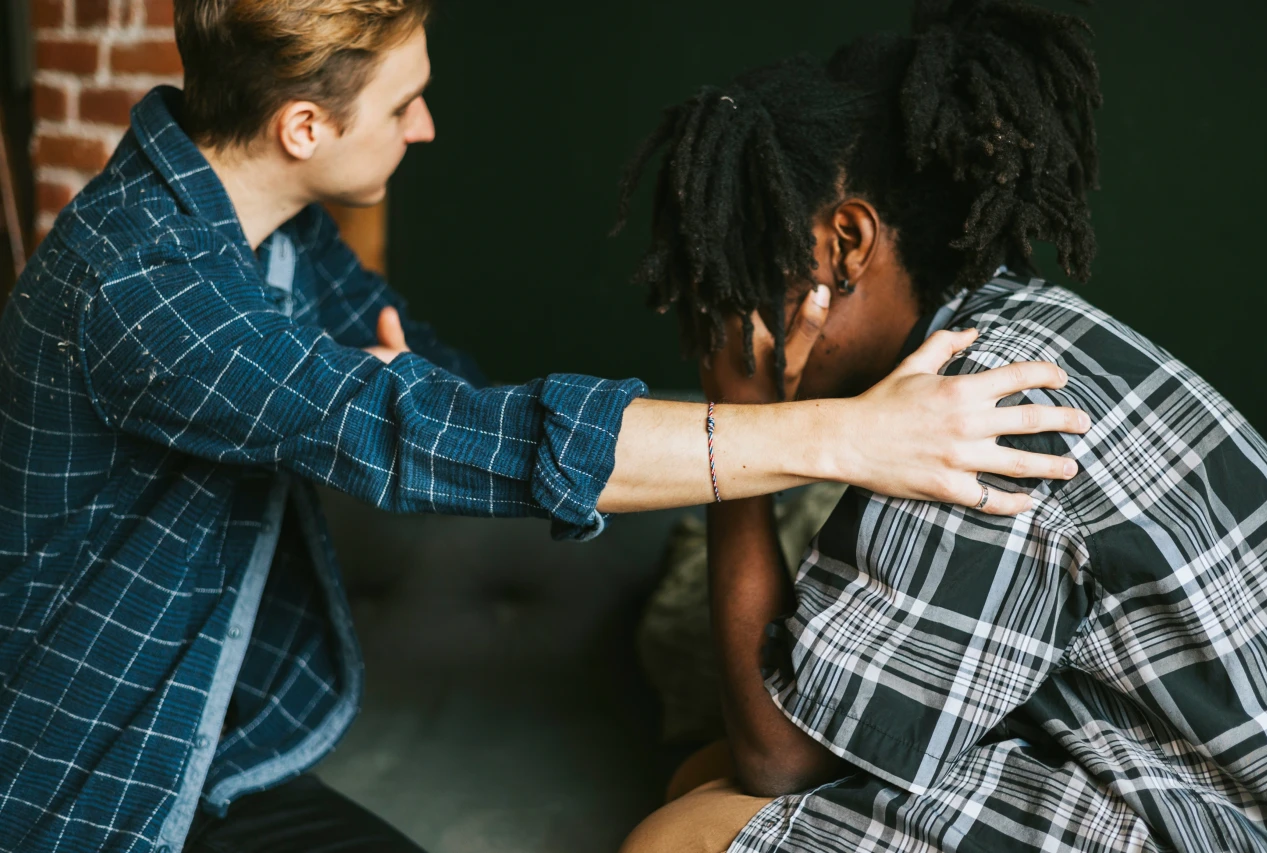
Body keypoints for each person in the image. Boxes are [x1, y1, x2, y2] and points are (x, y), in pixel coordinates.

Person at [0, 1, 1091, 851]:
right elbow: (427, 430)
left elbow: (451, 404)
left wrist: (406, 404)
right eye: (401, 106)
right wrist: (844, 435)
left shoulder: (272, 230)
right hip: (98, 792)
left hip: (234, 751)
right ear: (301, 126)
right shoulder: (137, 285)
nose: (425, 127)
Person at [616, 1, 1267, 851]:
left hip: (1203, 821)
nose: (737, 328)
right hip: (1141, 764)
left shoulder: (982, 404)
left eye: (748, 284)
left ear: (846, 243)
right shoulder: (1019, 324)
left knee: (680, 835)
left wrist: (736, 424)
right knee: (697, 777)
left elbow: (781, 757)